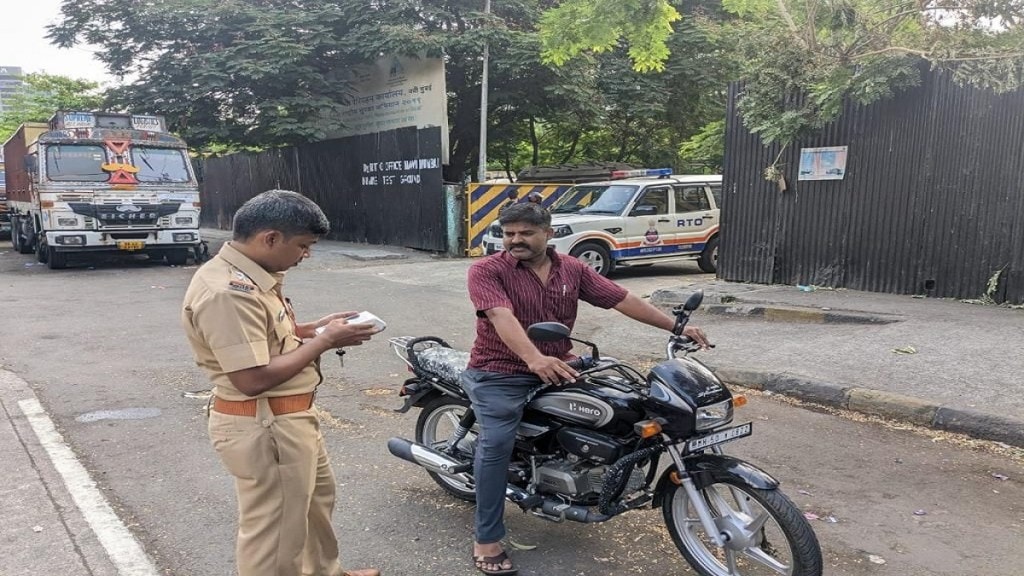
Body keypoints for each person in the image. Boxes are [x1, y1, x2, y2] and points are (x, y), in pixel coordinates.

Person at [462, 202, 709, 576]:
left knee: (622, 409)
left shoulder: (573, 269)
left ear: (548, 232)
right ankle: (487, 539)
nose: (515, 240)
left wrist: (674, 328)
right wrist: (533, 358)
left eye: (526, 233)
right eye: (509, 233)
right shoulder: (487, 270)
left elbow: (621, 299)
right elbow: (501, 316)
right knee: (495, 444)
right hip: (501, 371)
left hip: (562, 364)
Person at [181, 190, 381, 576]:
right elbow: (251, 378)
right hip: (264, 422)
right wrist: (325, 341)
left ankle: (325, 572)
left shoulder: (253, 278)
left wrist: (313, 328)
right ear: (270, 238)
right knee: (275, 534)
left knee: (313, 505)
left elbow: (269, 340)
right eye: (303, 245)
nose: (306, 254)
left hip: (288, 419)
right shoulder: (228, 292)